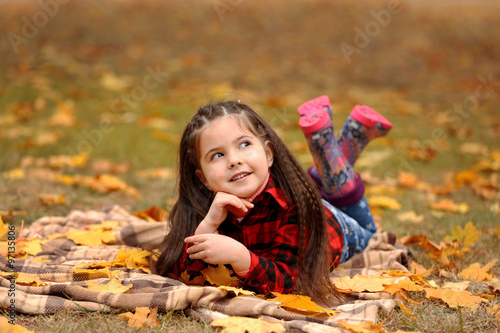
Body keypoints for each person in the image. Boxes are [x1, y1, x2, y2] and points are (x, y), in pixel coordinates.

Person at [153, 98, 392, 306]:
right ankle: (334, 149)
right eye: (218, 155)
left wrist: (242, 257)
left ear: (268, 154)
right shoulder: (205, 206)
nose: (234, 160)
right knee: (328, 183)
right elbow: (181, 274)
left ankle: (335, 153)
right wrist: (207, 226)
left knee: (369, 230)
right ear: (203, 178)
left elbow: (289, 281)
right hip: (311, 198)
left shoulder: (295, 206)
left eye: (244, 144)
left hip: (341, 227)